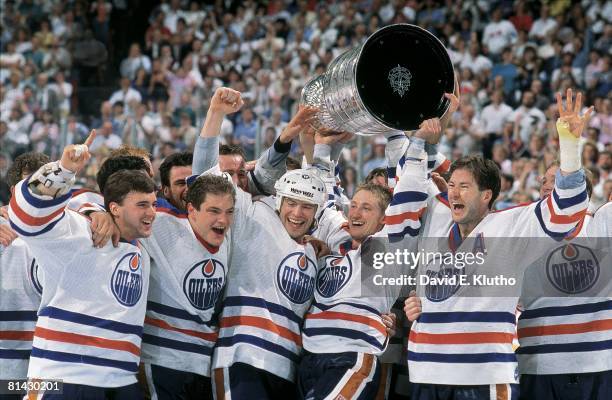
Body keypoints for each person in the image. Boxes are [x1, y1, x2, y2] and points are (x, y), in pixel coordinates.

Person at [403, 89, 592, 399]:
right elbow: (408, 182)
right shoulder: (435, 219)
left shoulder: (512, 227)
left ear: (486, 195)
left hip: (484, 377)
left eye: (464, 187)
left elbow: (568, 212)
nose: (454, 193)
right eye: (451, 186)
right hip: (426, 373)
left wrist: (570, 146)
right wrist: (421, 300)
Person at [8, 131, 157, 399]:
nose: (152, 213)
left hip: (121, 381)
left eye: (154, 204)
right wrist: (63, 170)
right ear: (114, 206)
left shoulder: (143, 247)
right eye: (142, 205)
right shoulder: (81, 232)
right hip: (64, 378)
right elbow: (27, 218)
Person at [297, 120, 438, 399]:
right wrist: (323, 148)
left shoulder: (390, 245)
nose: (356, 213)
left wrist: (410, 138)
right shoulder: (338, 239)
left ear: (385, 219)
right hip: (310, 356)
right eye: (354, 206)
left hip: (352, 357)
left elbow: (409, 192)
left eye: (366, 208)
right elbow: (321, 199)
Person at [139, 174, 236, 400]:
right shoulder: (163, 225)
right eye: (213, 211)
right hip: (162, 360)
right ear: (191, 210)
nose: (223, 220)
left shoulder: (228, 239)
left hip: (204, 365)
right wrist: (94, 213)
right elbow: (119, 209)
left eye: (229, 212)